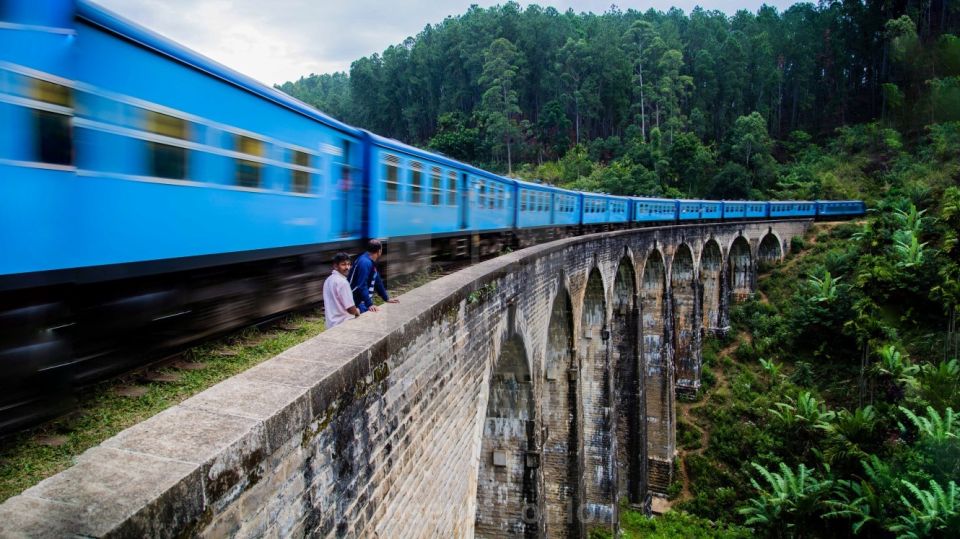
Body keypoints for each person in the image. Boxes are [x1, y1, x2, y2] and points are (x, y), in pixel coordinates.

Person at [348, 239, 400, 313]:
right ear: (379, 251)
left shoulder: (369, 261)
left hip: (360, 300)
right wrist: (369, 304)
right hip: (357, 302)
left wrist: (386, 298)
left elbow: (377, 280)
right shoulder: (365, 262)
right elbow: (362, 285)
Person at [323, 253, 359, 328]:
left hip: (331, 324)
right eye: (343, 264)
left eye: (349, 264)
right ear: (335, 266)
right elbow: (350, 309)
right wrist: (357, 312)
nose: (347, 267)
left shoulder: (328, 280)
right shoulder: (342, 282)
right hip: (343, 323)